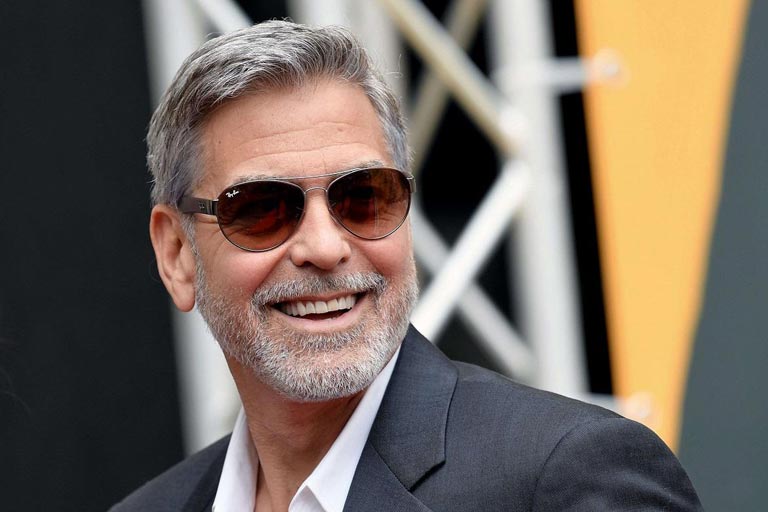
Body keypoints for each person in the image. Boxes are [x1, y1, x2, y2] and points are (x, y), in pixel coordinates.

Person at [112, 20, 702, 512]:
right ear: (177, 255)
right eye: (262, 209)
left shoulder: (568, 478)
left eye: (363, 197)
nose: (325, 246)